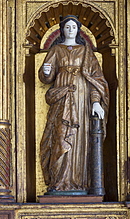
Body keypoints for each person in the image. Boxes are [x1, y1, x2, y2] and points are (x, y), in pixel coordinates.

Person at [38, 15, 109, 194]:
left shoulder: (86, 51)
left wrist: (95, 102)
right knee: (60, 136)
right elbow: (46, 76)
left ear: (78, 30)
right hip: (61, 98)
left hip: (81, 98)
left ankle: (78, 183)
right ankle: (59, 182)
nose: (70, 30)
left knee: (79, 140)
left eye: (73, 27)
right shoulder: (56, 50)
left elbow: (95, 79)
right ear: (62, 30)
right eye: (67, 27)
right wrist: (46, 72)